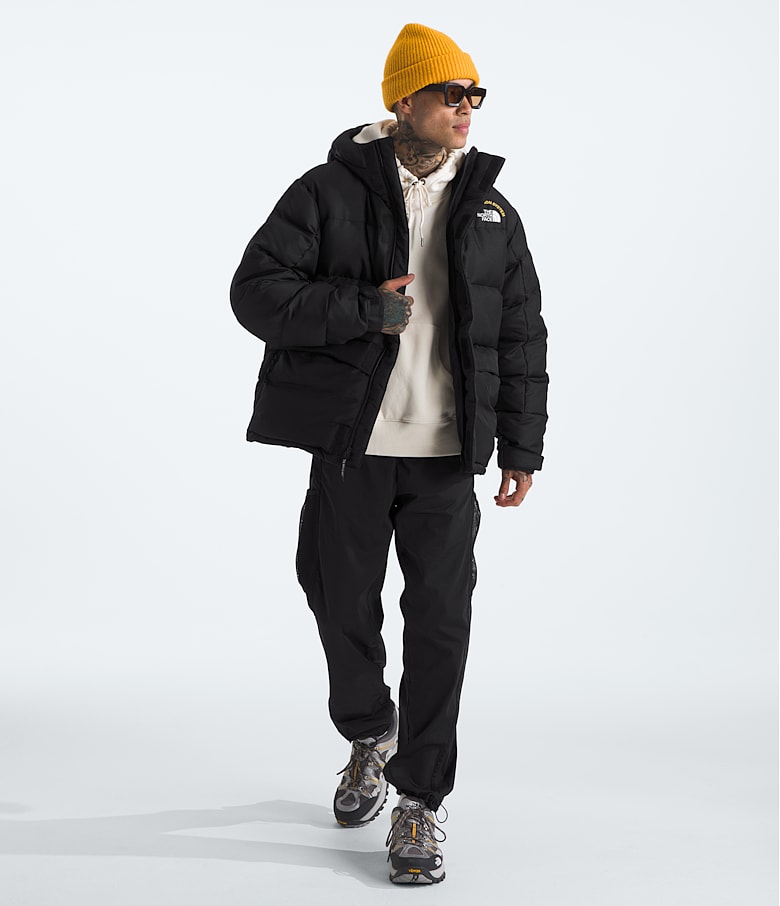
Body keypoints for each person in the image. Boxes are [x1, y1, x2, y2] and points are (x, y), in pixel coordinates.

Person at [230, 22, 548, 885]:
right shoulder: (326, 191)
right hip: (354, 449)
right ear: (403, 101)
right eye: (450, 93)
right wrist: (361, 309)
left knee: (441, 625)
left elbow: (521, 335)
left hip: (447, 455)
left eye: (475, 95)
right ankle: (371, 731)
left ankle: (420, 799)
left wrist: (521, 444)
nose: (466, 108)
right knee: (338, 602)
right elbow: (255, 292)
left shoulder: (492, 212)